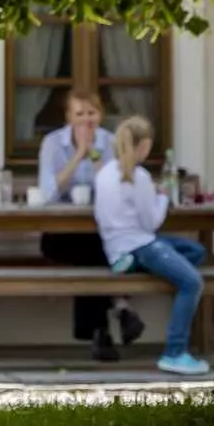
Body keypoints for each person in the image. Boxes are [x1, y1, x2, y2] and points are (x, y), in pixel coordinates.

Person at [94, 114, 209, 376]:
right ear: (144, 145)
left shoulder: (104, 174)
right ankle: (175, 352)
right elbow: (151, 223)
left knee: (196, 251)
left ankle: (133, 265)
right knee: (192, 282)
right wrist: (163, 197)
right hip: (142, 243)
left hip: (117, 247)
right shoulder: (139, 176)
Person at [37, 89, 141, 361]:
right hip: (59, 233)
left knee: (92, 250)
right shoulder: (52, 143)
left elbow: (114, 190)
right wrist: (78, 154)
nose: (86, 120)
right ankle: (120, 305)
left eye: (91, 113)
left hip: (100, 232)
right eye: (79, 113)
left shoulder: (110, 143)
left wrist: (94, 155)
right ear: (68, 117)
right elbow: (48, 195)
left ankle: (100, 334)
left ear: (101, 115)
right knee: (93, 250)